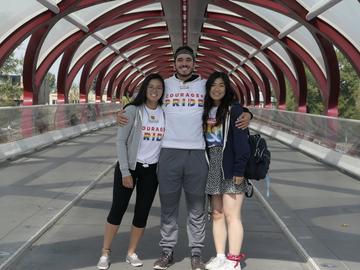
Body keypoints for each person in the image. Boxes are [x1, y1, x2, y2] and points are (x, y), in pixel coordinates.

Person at [118, 46, 252, 270]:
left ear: (193, 63)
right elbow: (141, 100)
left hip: (198, 154)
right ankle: (167, 251)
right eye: (180, 60)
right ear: (175, 63)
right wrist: (123, 110)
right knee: (168, 207)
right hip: (168, 152)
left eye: (188, 60)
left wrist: (248, 113)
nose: (184, 64)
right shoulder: (165, 85)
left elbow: (228, 102)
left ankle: (196, 253)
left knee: (197, 208)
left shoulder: (205, 85)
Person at [97, 73, 165, 269]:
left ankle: (131, 252)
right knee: (117, 209)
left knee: (142, 213)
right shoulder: (133, 110)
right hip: (130, 169)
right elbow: (120, 141)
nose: (154, 91)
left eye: (159, 88)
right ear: (145, 88)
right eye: (151, 87)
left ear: (163, 92)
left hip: (151, 171)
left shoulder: (165, 112)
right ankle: (105, 252)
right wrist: (125, 171)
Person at [203, 72, 250, 270]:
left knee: (233, 216)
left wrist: (239, 170)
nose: (217, 89)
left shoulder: (235, 110)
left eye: (221, 85)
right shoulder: (206, 111)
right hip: (212, 166)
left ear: (227, 88)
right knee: (217, 214)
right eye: (213, 85)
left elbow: (242, 145)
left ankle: (234, 260)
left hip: (231, 168)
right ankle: (221, 256)